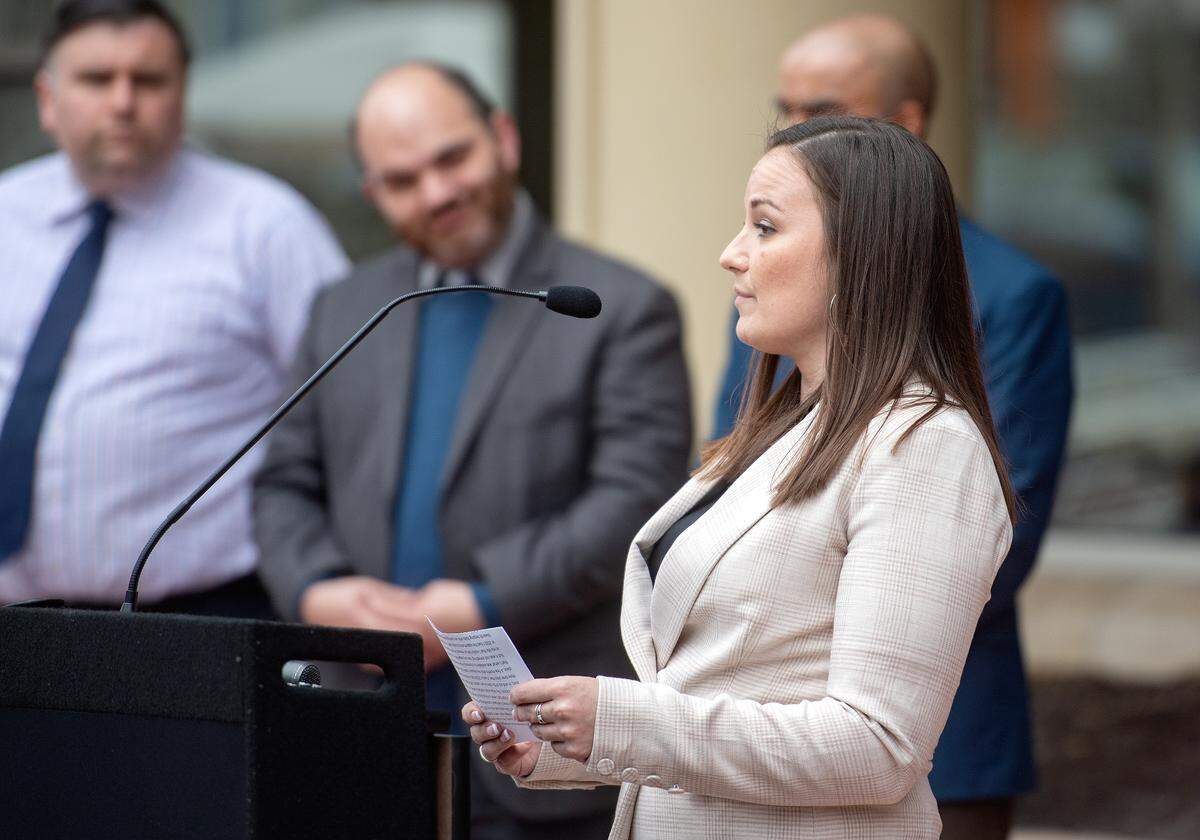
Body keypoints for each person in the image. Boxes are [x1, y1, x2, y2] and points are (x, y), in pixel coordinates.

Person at [467, 116, 1015, 839]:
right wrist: (568, 745)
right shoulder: (787, 427)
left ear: (864, 251)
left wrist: (622, 719)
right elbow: (718, 692)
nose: (731, 255)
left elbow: (879, 747)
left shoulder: (924, 444)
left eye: (764, 227)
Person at [252, 63, 691, 840]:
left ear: (506, 139)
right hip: (354, 722)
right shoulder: (346, 306)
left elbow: (633, 500)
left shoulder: (619, 307)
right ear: (372, 193)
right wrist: (317, 589)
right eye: (401, 179)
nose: (435, 193)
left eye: (452, 159)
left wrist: (474, 605)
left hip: (543, 746)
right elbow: (283, 482)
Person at [712, 16, 1074, 836]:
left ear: (906, 126)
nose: (802, 130)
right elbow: (730, 470)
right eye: (787, 109)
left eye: (827, 108)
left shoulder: (1013, 296)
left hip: (943, 733)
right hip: (748, 745)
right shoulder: (777, 282)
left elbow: (998, 534)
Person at [0, 0, 348, 617]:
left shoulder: (266, 226)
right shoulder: (6, 213)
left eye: (149, 80)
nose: (123, 102)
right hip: (16, 623)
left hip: (202, 622)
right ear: (47, 99)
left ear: (184, 93)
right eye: (97, 79)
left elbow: (351, 419)